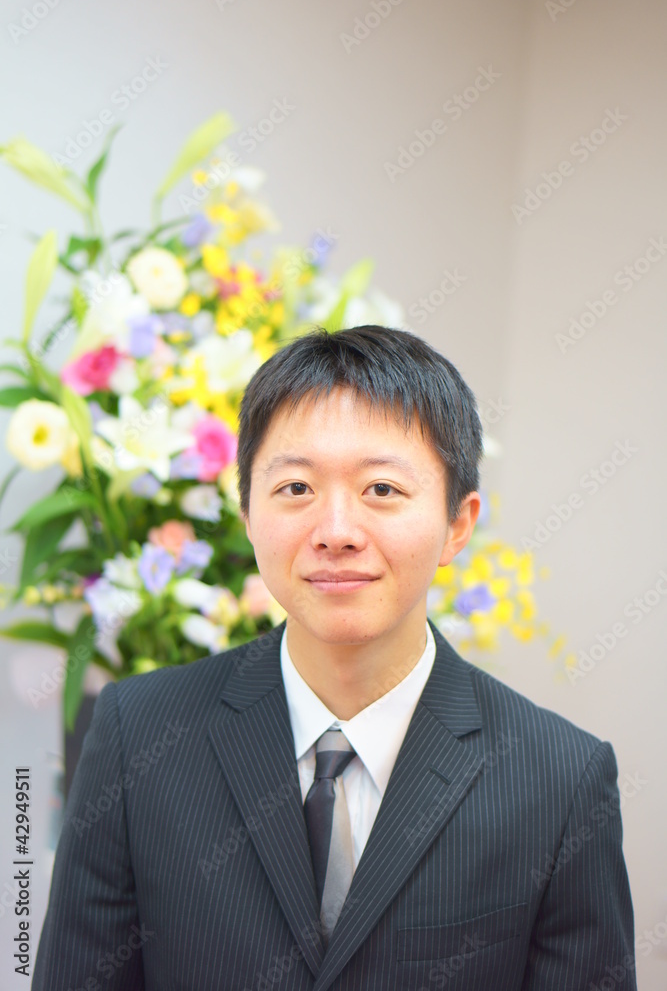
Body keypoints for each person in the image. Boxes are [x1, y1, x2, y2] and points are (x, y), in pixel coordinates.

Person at [33, 324, 637, 990]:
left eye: (382, 489)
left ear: (457, 524)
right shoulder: (139, 733)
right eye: (296, 488)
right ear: (246, 512)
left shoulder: (559, 780)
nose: (337, 532)